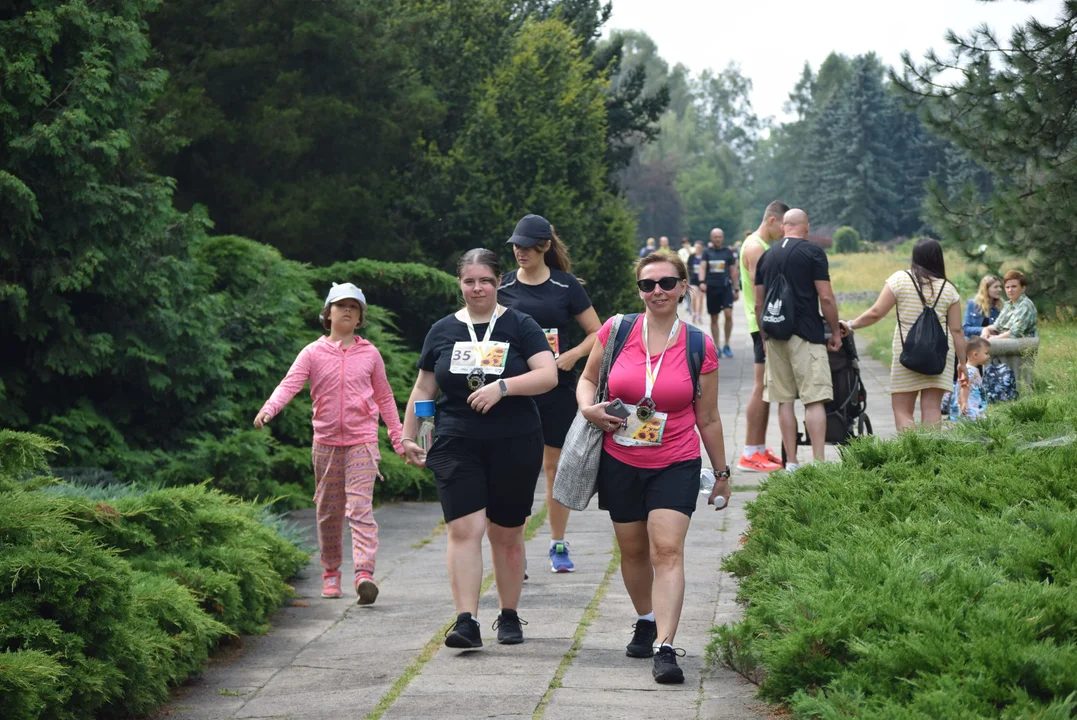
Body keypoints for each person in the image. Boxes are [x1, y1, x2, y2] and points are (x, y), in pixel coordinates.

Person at [576, 252, 731, 685]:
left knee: (667, 550)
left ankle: (665, 645)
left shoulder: (699, 345)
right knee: (633, 551)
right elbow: (588, 378)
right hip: (620, 458)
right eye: (648, 285)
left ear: (684, 286)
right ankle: (645, 618)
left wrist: (722, 474)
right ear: (639, 290)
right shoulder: (617, 330)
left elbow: (710, 417)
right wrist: (588, 408)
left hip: (676, 459)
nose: (657, 291)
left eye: (666, 283)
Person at [400, 249, 557, 649]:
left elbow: (548, 375)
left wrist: (503, 386)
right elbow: (423, 388)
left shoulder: (521, 325)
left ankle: (508, 615)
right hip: (456, 442)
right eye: (469, 281)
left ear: (499, 282)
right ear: (459, 284)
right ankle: (465, 620)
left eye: (485, 280)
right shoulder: (441, 331)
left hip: (514, 441)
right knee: (463, 529)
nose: (477, 288)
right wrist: (409, 434)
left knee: (507, 533)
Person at [254, 283, 403, 605]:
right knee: (328, 511)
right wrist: (269, 409)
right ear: (328, 313)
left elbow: (385, 397)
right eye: (341, 305)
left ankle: (364, 574)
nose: (347, 310)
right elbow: (289, 383)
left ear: (361, 317)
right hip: (325, 443)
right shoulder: (312, 352)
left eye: (354, 306)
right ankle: (331, 572)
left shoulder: (370, 354)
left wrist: (399, 438)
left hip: (362, 441)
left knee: (360, 508)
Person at [499, 214, 601, 573]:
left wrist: (571, 356)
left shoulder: (565, 286)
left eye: (526, 246)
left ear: (544, 246)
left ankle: (558, 543)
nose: (519, 251)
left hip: (556, 388)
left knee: (554, 466)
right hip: (515, 389)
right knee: (515, 467)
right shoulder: (503, 286)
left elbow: (596, 333)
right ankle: (515, 549)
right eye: (515, 245)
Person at [842, 238, 967, 431]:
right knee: (932, 407)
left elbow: (876, 313)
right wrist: (963, 363)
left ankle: (913, 453)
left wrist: (851, 325)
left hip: (907, 352)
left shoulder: (900, 280)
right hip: (940, 354)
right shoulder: (949, 289)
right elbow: (957, 330)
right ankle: (929, 454)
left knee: (902, 409)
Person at [754, 209, 842, 469]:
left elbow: (759, 304)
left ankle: (791, 463)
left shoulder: (766, 257)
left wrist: (764, 337)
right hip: (807, 334)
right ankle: (818, 462)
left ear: (783, 226)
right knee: (814, 399)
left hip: (775, 335)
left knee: (784, 400)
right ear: (806, 227)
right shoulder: (813, 253)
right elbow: (825, 297)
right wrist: (835, 331)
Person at [737, 201, 789, 472]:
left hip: (763, 324)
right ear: (771, 220)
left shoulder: (762, 245)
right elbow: (764, 292)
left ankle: (758, 448)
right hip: (762, 326)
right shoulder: (757, 247)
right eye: (782, 225)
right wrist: (768, 332)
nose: (784, 230)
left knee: (767, 387)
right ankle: (748, 452)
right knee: (761, 387)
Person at [699, 228, 739, 358]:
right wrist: (701, 281)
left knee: (728, 314)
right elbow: (703, 266)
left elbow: (733, 270)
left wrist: (736, 288)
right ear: (711, 238)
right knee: (714, 318)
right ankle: (717, 346)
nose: (717, 239)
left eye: (719, 237)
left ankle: (727, 344)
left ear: (723, 238)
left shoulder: (728, 252)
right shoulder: (707, 252)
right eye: (715, 237)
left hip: (726, 287)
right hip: (712, 287)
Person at [982, 270, 1038, 339]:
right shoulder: (1007, 305)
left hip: (1020, 344)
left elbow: (1015, 333)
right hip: (1005, 341)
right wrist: (986, 330)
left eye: (1014, 286)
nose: (1010, 290)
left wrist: (995, 338)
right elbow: (997, 326)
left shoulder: (1025, 305)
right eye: (1007, 287)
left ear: (1023, 288)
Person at [949, 336, 989, 420]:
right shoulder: (969, 371)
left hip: (975, 406)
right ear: (975, 355)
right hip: (970, 408)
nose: (989, 356)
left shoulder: (973, 370)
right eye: (986, 353)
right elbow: (964, 386)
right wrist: (964, 402)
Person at [687, 241, 705, 324]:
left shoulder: (705, 256)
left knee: (700, 298)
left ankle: (699, 315)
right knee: (693, 296)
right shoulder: (691, 257)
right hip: (694, 279)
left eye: (699, 247)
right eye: (696, 247)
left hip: (702, 280)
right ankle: (693, 313)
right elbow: (688, 267)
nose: (698, 249)